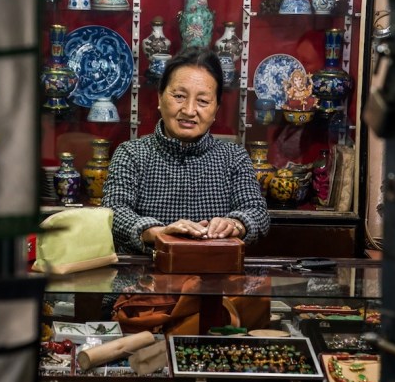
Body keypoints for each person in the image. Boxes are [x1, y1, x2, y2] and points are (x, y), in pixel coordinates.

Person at [102, 46, 270, 254]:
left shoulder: (233, 157)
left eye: (203, 101)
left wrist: (234, 224)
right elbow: (114, 211)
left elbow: (257, 212)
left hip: (214, 270)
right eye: (179, 96)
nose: (189, 111)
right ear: (160, 97)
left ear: (216, 109)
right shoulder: (131, 154)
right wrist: (158, 233)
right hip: (145, 270)